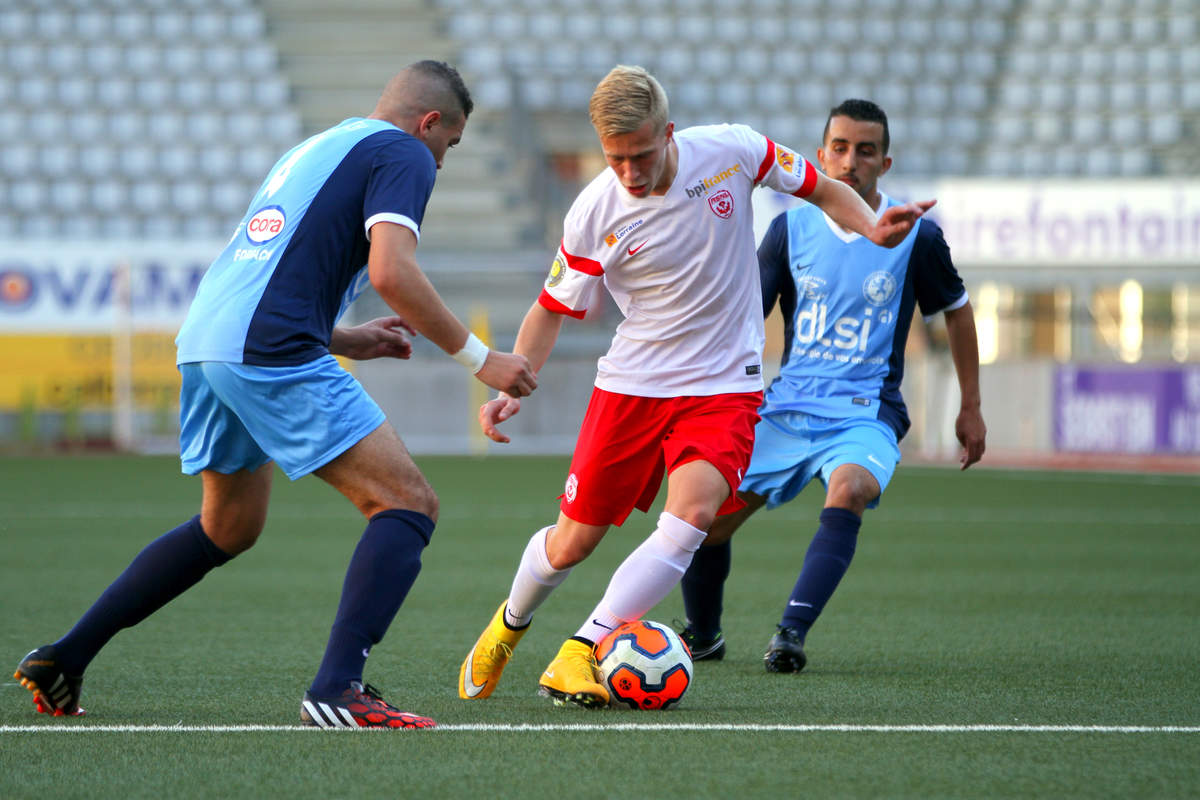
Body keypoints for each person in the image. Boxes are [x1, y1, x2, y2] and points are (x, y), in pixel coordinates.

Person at [13, 60, 536, 729]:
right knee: (407, 502)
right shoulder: (404, 151)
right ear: (429, 122)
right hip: (268, 348)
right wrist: (481, 358)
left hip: (208, 342)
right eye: (450, 144)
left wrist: (345, 339)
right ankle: (338, 688)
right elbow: (392, 270)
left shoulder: (316, 146)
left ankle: (64, 657)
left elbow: (269, 263)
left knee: (227, 526)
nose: (443, 159)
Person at [457, 67, 933, 708]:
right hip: (631, 387)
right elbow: (551, 306)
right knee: (574, 540)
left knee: (695, 516)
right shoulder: (595, 210)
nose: (629, 171)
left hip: (722, 386)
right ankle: (509, 625)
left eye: (642, 155)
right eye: (615, 157)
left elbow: (821, 188)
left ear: (670, 133)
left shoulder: (732, 150)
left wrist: (871, 229)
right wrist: (518, 379)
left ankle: (579, 651)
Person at [676, 98, 986, 673]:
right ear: (820, 156)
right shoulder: (789, 228)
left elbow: (958, 312)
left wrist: (971, 406)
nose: (850, 162)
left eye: (865, 151)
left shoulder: (917, 236)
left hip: (865, 412)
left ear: (884, 163)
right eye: (839, 149)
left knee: (850, 490)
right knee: (703, 516)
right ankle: (704, 633)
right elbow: (746, 318)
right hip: (787, 406)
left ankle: (790, 633)